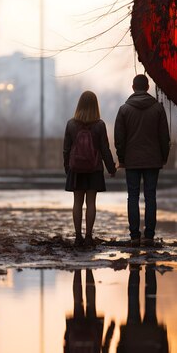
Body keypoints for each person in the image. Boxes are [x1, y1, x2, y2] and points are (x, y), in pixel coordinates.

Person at [114, 74, 170, 247]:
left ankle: (134, 236)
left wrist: (122, 158)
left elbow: (119, 138)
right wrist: (163, 157)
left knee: (133, 196)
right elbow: (164, 137)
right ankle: (149, 236)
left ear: (133, 87)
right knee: (150, 196)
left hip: (131, 160)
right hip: (153, 160)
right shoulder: (158, 109)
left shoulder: (124, 109)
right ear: (147, 88)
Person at [64, 91, 116, 247]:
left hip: (76, 169)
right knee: (91, 203)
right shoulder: (99, 125)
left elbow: (66, 149)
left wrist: (68, 168)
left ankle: (78, 237)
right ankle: (88, 237)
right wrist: (111, 168)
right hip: (94, 169)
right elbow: (105, 149)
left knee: (77, 203)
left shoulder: (71, 124)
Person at [116, 264, 169, 353]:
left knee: (148, 301)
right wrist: (122, 337)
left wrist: (163, 336)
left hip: (148, 338)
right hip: (134, 338)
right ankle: (136, 269)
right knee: (134, 302)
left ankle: (148, 268)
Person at [64, 269, 115, 353]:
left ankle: (89, 270)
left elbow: (105, 349)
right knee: (77, 303)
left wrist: (110, 331)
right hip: (76, 334)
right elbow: (66, 351)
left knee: (91, 304)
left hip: (92, 333)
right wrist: (68, 331)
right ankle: (77, 270)